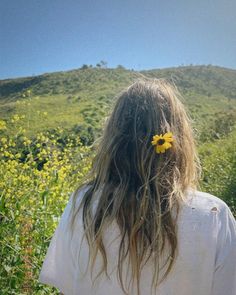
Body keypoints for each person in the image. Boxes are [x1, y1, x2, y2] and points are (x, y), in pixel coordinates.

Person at [39, 79, 236, 295]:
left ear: (114, 138)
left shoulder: (83, 204)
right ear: (179, 136)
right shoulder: (214, 215)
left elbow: (68, 286)